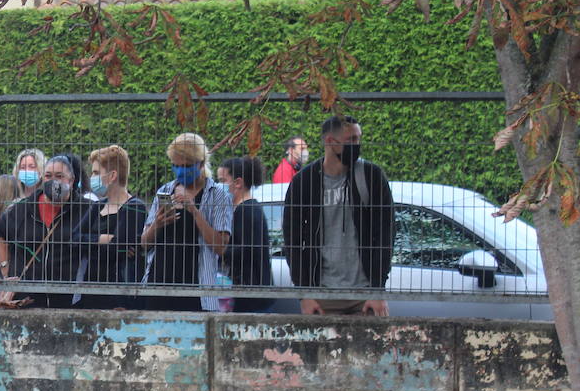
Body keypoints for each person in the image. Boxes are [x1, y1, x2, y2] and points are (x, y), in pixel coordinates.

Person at [283, 115, 395, 316]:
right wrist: (305, 295)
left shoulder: (371, 176)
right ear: (330, 142)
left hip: (365, 294)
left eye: (358, 138)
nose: (357, 145)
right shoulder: (304, 182)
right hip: (322, 295)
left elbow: (386, 233)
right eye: (351, 140)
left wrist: (378, 290)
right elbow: (292, 241)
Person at [139, 133, 234, 312]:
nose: (180, 171)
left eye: (186, 166)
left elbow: (221, 247)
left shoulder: (217, 195)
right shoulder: (165, 191)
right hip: (158, 286)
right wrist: (157, 224)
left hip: (196, 291)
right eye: (175, 166)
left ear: (201, 163)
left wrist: (194, 210)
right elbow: (144, 243)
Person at [0, 153, 87, 309]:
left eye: (59, 176)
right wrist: (5, 268)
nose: (53, 181)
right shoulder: (23, 208)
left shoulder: (86, 209)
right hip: (26, 299)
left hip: (69, 300)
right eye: (48, 176)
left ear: (71, 180)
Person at [75, 145, 148, 309]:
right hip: (91, 291)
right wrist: (101, 239)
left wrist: (88, 245)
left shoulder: (134, 206)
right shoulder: (98, 206)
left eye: (95, 173)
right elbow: (73, 239)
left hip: (120, 295)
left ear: (112, 175)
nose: (91, 177)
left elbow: (118, 248)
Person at [217, 156, 274, 313]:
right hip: (252, 293)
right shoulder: (244, 209)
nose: (218, 186)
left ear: (238, 183)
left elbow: (246, 249)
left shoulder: (246, 210)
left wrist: (218, 251)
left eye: (222, 180)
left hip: (252, 297)